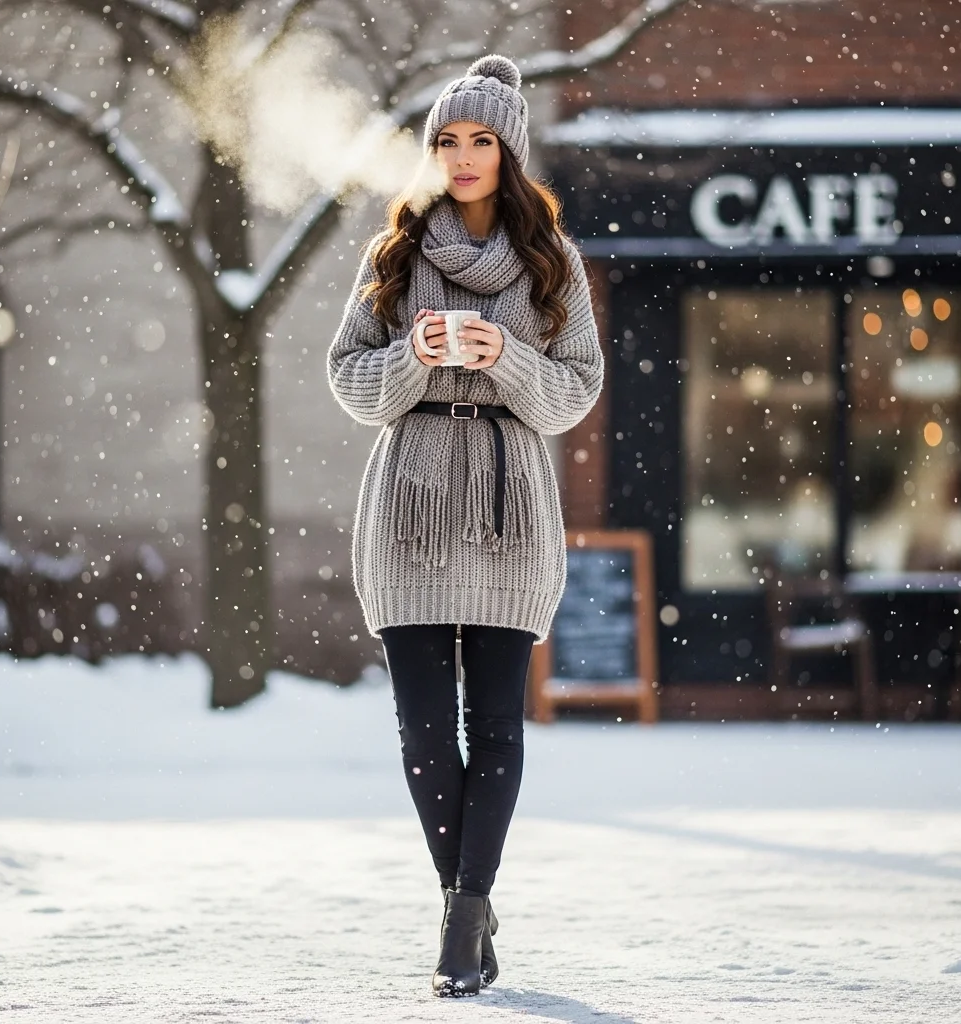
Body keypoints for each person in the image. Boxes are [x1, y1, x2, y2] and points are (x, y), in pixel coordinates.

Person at [326, 53, 604, 997]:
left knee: (496, 728)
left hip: (509, 510)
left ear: (510, 150)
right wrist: (413, 357)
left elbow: (576, 393)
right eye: (448, 139)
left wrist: (509, 360)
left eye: (482, 139)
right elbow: (349, 382)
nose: (464, 155)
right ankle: (466, 906)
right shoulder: (393, 254)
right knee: (421, 737)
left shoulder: (550, 261)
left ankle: (464, 913)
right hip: (408, 510)